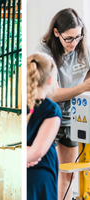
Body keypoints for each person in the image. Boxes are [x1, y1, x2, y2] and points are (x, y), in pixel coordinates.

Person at [35, 8, 90, 200]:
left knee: (69, 173)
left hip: (75, 119)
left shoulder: (82, 46)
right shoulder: (44, 54)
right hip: (50, 117)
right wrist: (83, 87)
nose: (74, 43)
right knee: (46, 174)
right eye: (69, 38)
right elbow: (52, 94)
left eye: (78, 37)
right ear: (56, 32)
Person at [27, 53, 62, 200]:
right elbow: (37, 152)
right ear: (50, 79)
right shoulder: (51, 109)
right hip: (41, 175)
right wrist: (28, 154)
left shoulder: (24, 104)